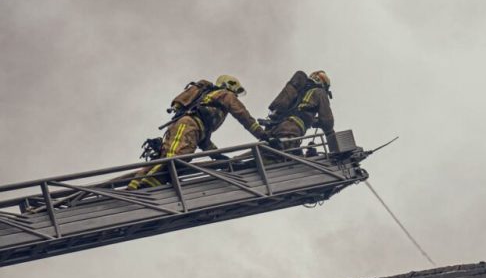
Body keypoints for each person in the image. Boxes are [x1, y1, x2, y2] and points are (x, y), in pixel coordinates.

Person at [127, 75, 267, 190]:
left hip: (186, 127)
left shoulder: (209, 102)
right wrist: (263, 135)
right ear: (228, 85)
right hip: (188, 126)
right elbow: (243, 116)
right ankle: (144, 187)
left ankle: (135, 186)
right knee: (176, 159)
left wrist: (217, 155)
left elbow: (203, 139)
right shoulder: (226, 95)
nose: (236, 93)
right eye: (236, 89)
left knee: (166, 159)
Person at [264, 70, 334, 150]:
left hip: (274, 128)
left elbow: (299, 111)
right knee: (284, 156)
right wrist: (331, 135)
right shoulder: (320, 92)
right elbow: (327, 122)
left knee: (266, 156)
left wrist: (313, 122)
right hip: (291, 129)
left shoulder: (299, 92)